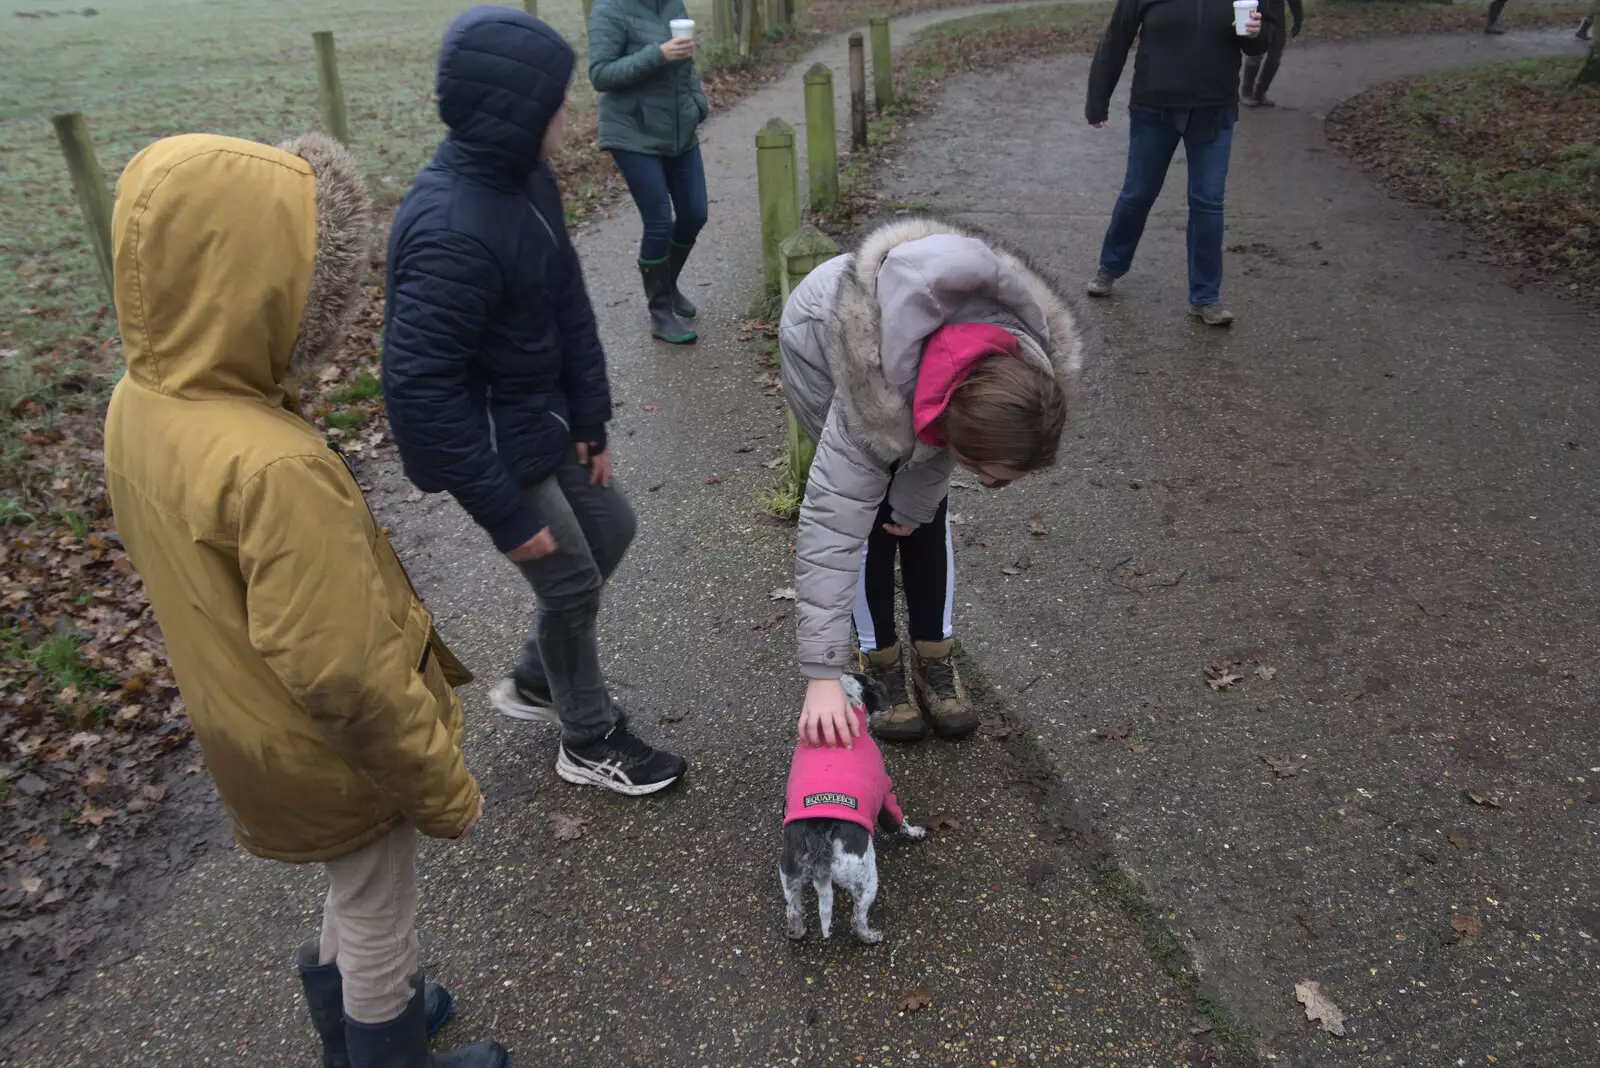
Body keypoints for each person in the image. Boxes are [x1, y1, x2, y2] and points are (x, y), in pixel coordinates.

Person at [103, 132, 507, 1066]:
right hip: (332, 755)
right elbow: (348, 676)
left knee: (356, 890)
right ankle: (384, 1045)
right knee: (378, 908)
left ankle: (357, 1024)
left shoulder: (140, 401)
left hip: (243, 726)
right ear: (260, 287)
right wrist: (444, 790)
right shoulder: (273, 464)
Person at [384, 7, 687, 797]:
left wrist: (590, 418)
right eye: (554, 98)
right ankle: (588, 738)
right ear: (512, 109)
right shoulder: (449, 226)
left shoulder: (525, 176)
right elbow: (420, 393)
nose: (568, 111)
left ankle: (536, 678)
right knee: (571, 581)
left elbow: (567, 304)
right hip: (490, 443)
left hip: (542, 416)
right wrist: (508, 517)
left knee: (613, 528)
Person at [779, 219, 1080, 748]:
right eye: (985, 472)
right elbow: (830, 533)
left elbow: (942, 431)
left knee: (919, 514)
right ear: (958, 434)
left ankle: (933, 656)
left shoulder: (1021, 366)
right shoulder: (872, 396)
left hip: (928, 370)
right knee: (866, 516)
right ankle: (881, 662)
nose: (988, 484)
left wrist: (915, 507)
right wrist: (821, 678)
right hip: (823, 342)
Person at [1084, 0, 1274, 326]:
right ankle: (1110, 267)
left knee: (1208, 202)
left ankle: (1205, 298)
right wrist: (1098, 99)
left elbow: (1261, 37)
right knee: (1138, 193)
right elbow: (1116, 38)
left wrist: (1255, 34)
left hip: (1214, 110)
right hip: (1154, 108)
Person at [589, 0, 710, 345]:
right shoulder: (608, 10)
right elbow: (600, 74)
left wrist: (698, 104)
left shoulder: (673, 4)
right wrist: (658, 54)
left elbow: (687, 63)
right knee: (658, 219)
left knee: (694, 213)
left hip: (679, 128)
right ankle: (660, 312)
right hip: (632, 131)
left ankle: (668, 283)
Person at [1241, 0, 1303, 107]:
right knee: (1256, 54)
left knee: (1275, 57)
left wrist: (1298, 19)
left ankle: (1260, 92)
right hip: (1259, 11)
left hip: (1277, 15)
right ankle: (1246, 92)